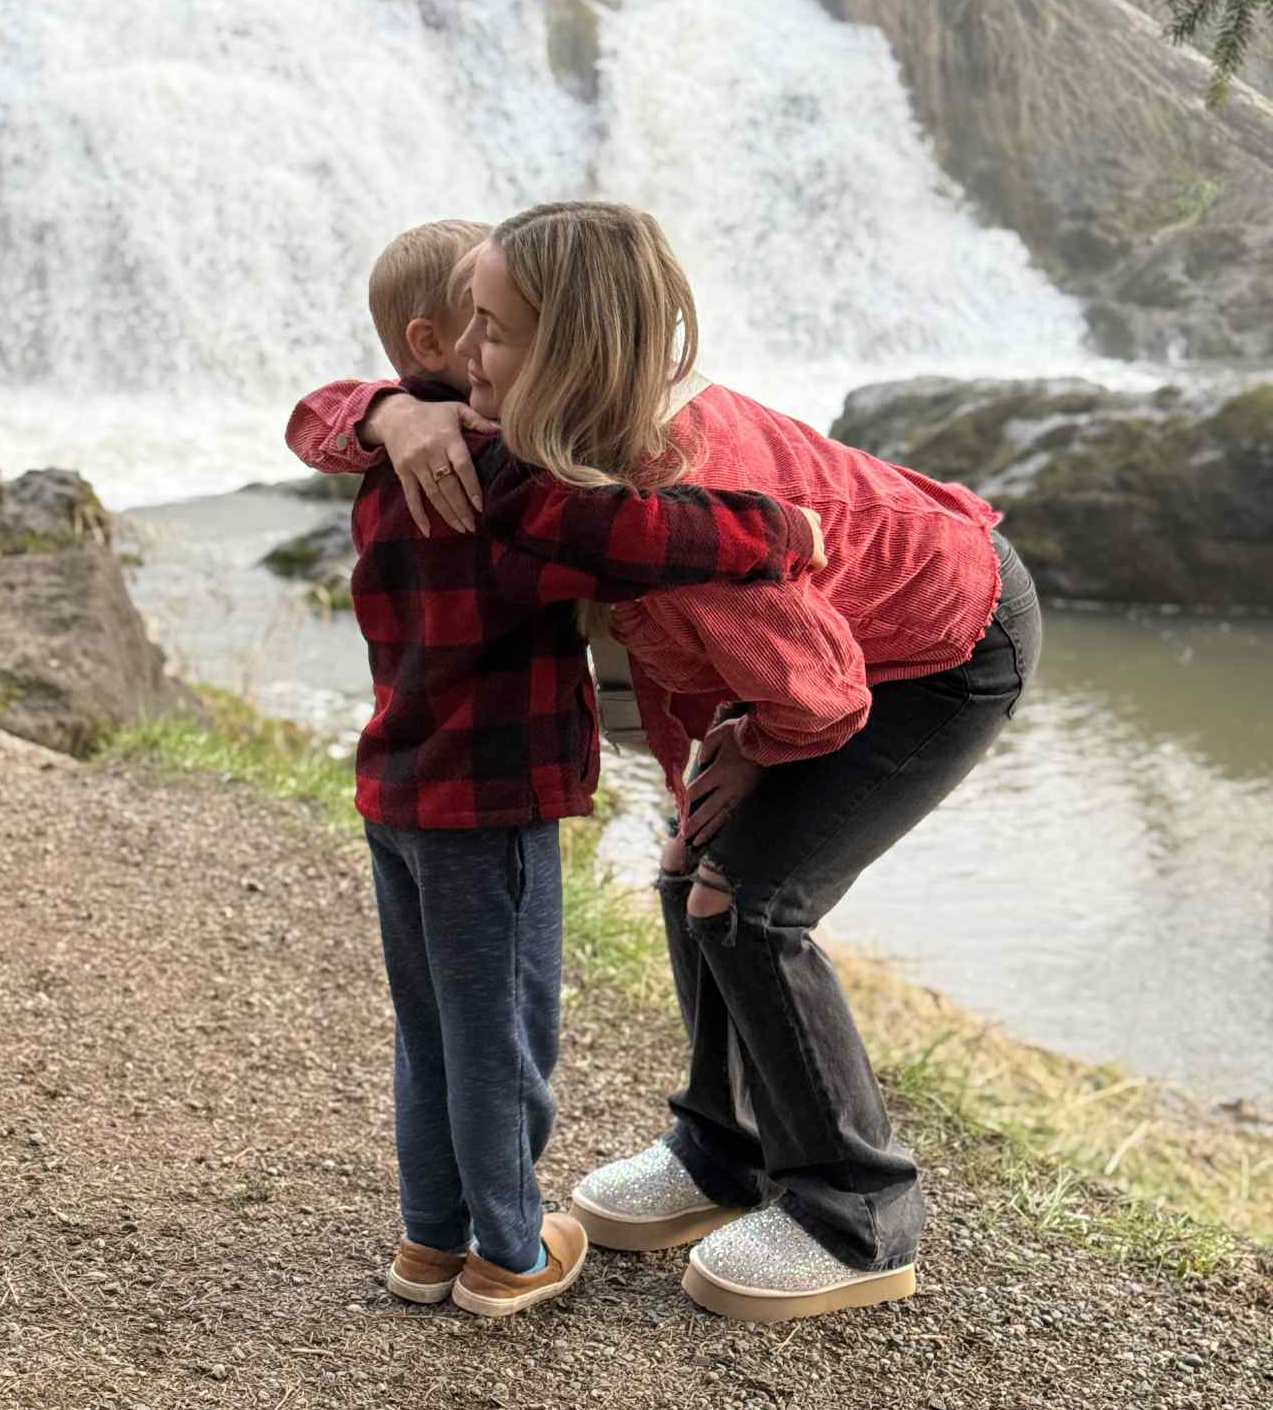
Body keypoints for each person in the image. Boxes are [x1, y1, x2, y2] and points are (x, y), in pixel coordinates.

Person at [293, 200, 1042, 1325]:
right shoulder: (544, 442)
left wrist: (752, 742)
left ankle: (857, 1212)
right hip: (818, 647)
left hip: (942, 643)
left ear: (571, 346)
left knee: (746, 896)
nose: (467, 350)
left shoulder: (665, 500)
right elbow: (338, 407)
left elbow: (821, 688)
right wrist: (392, 408)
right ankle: (722, 1151)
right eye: (462, 326)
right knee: (684, 868)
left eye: (490, 329)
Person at [285, 219, 825, 1320]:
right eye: (485, 329)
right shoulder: (506, 478)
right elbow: (644, 531)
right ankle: (512, 1250)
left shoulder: (396, 464)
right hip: (491, 805)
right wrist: (782, 528)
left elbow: (316, 415)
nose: (502, 348)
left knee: (433, 1027)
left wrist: (388, 408)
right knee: (504, 1033)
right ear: (438, 341)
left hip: (396, 789)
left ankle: (430, 1242)